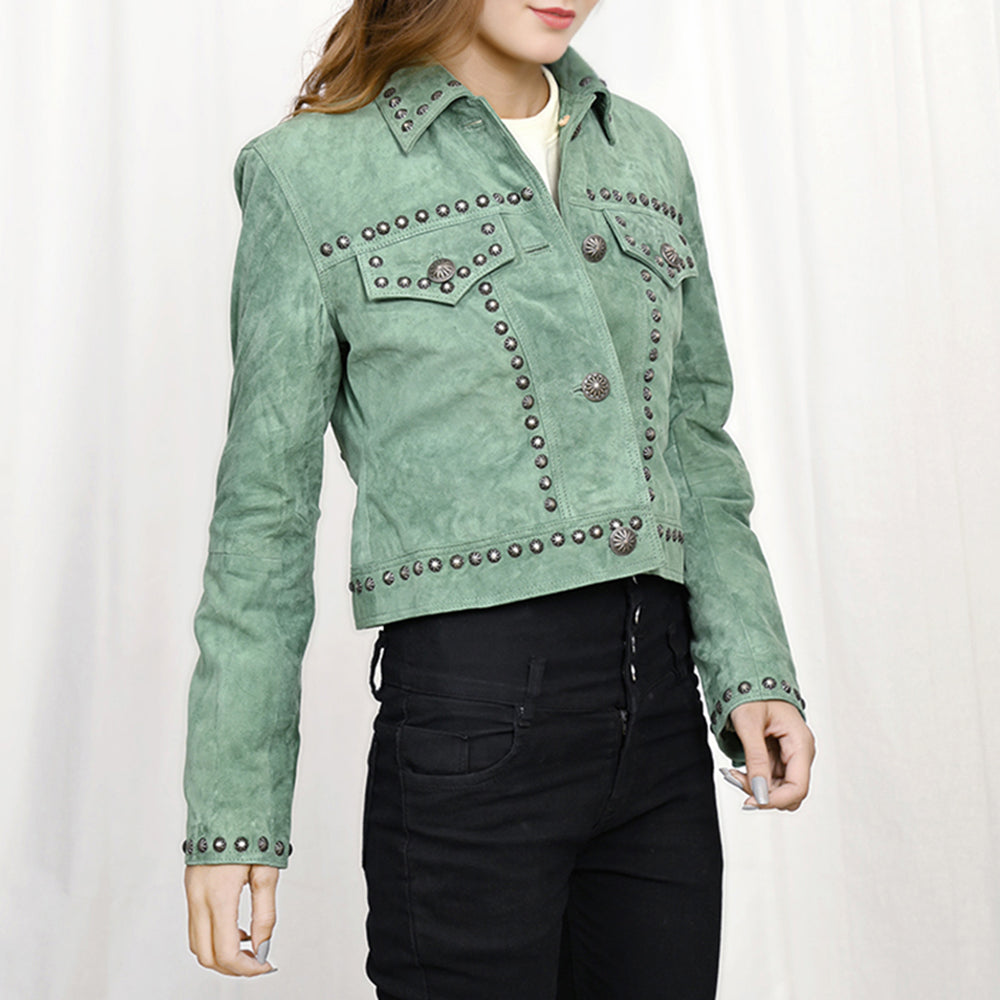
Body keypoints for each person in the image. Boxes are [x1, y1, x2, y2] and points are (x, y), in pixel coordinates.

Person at [181, 1, 817, 996]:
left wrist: (752, 670)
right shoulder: (310, 173)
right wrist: (234, 817)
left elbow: (694, 443)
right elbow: (263, 514)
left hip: (659, 730)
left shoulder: (646, 153)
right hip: (471, 727)